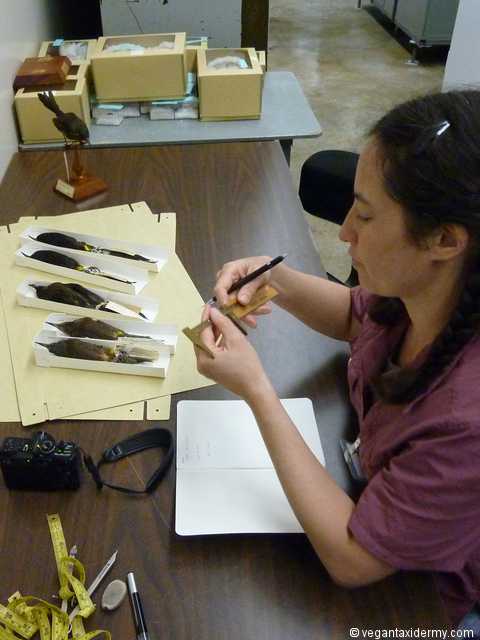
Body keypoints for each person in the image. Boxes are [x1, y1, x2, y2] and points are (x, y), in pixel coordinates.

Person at [193, 90, 480, 634]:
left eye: (366, 216)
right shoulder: (426, 291)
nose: (345, 231)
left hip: (422, 600)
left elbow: (353, 559)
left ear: (445, 240)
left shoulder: (465, 420)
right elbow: (356, 316)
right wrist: (271, 278)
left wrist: (256, 387)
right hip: (370, 489)